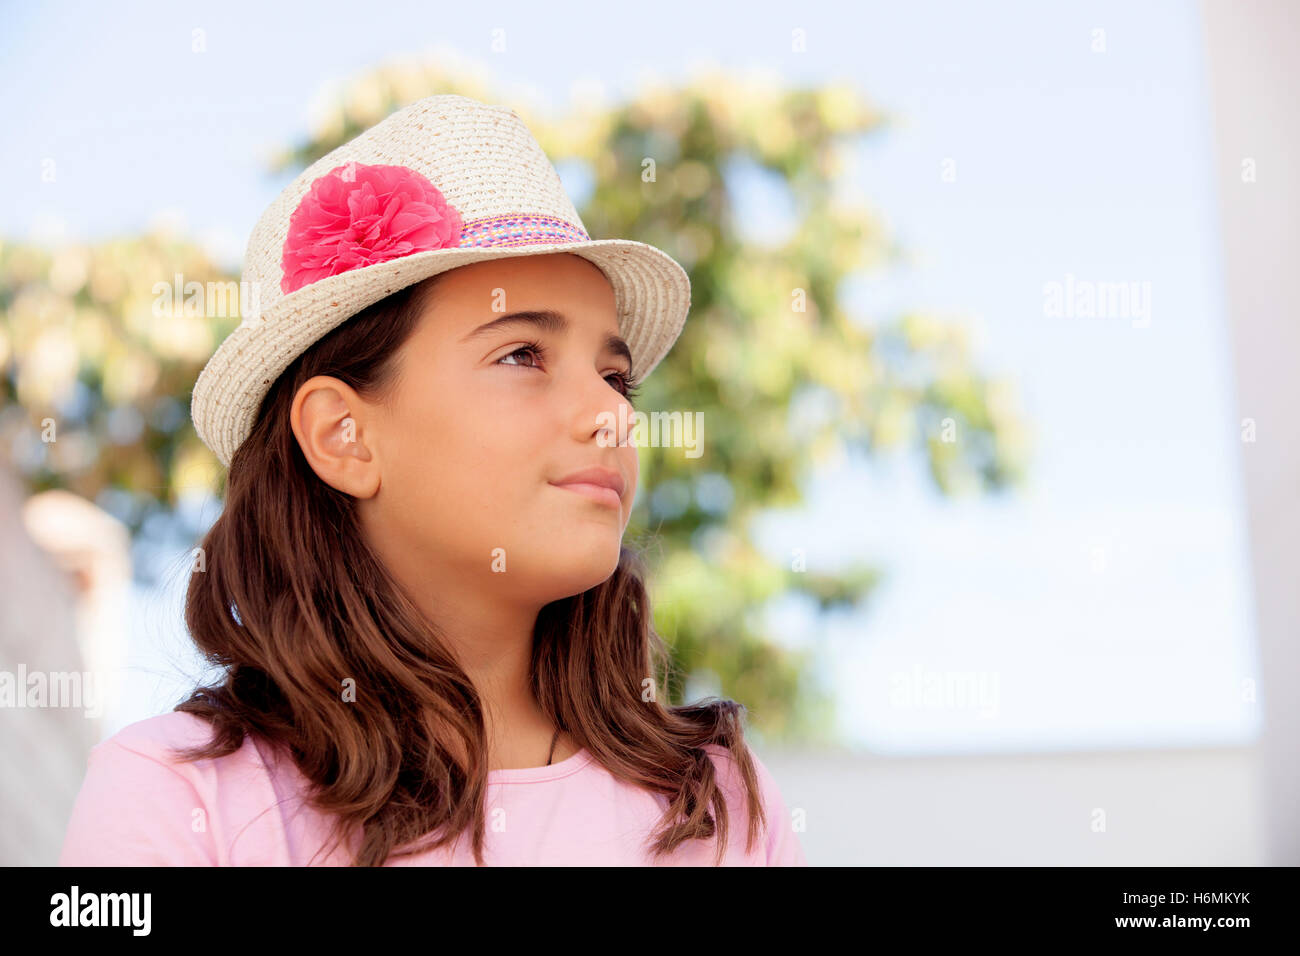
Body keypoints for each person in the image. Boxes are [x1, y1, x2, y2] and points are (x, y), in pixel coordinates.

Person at [58, 93, 807, 866]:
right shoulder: (180, 797)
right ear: (341, 436)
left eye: (616, 378)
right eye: (522, 354)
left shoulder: (715, 808)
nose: (611, 417)